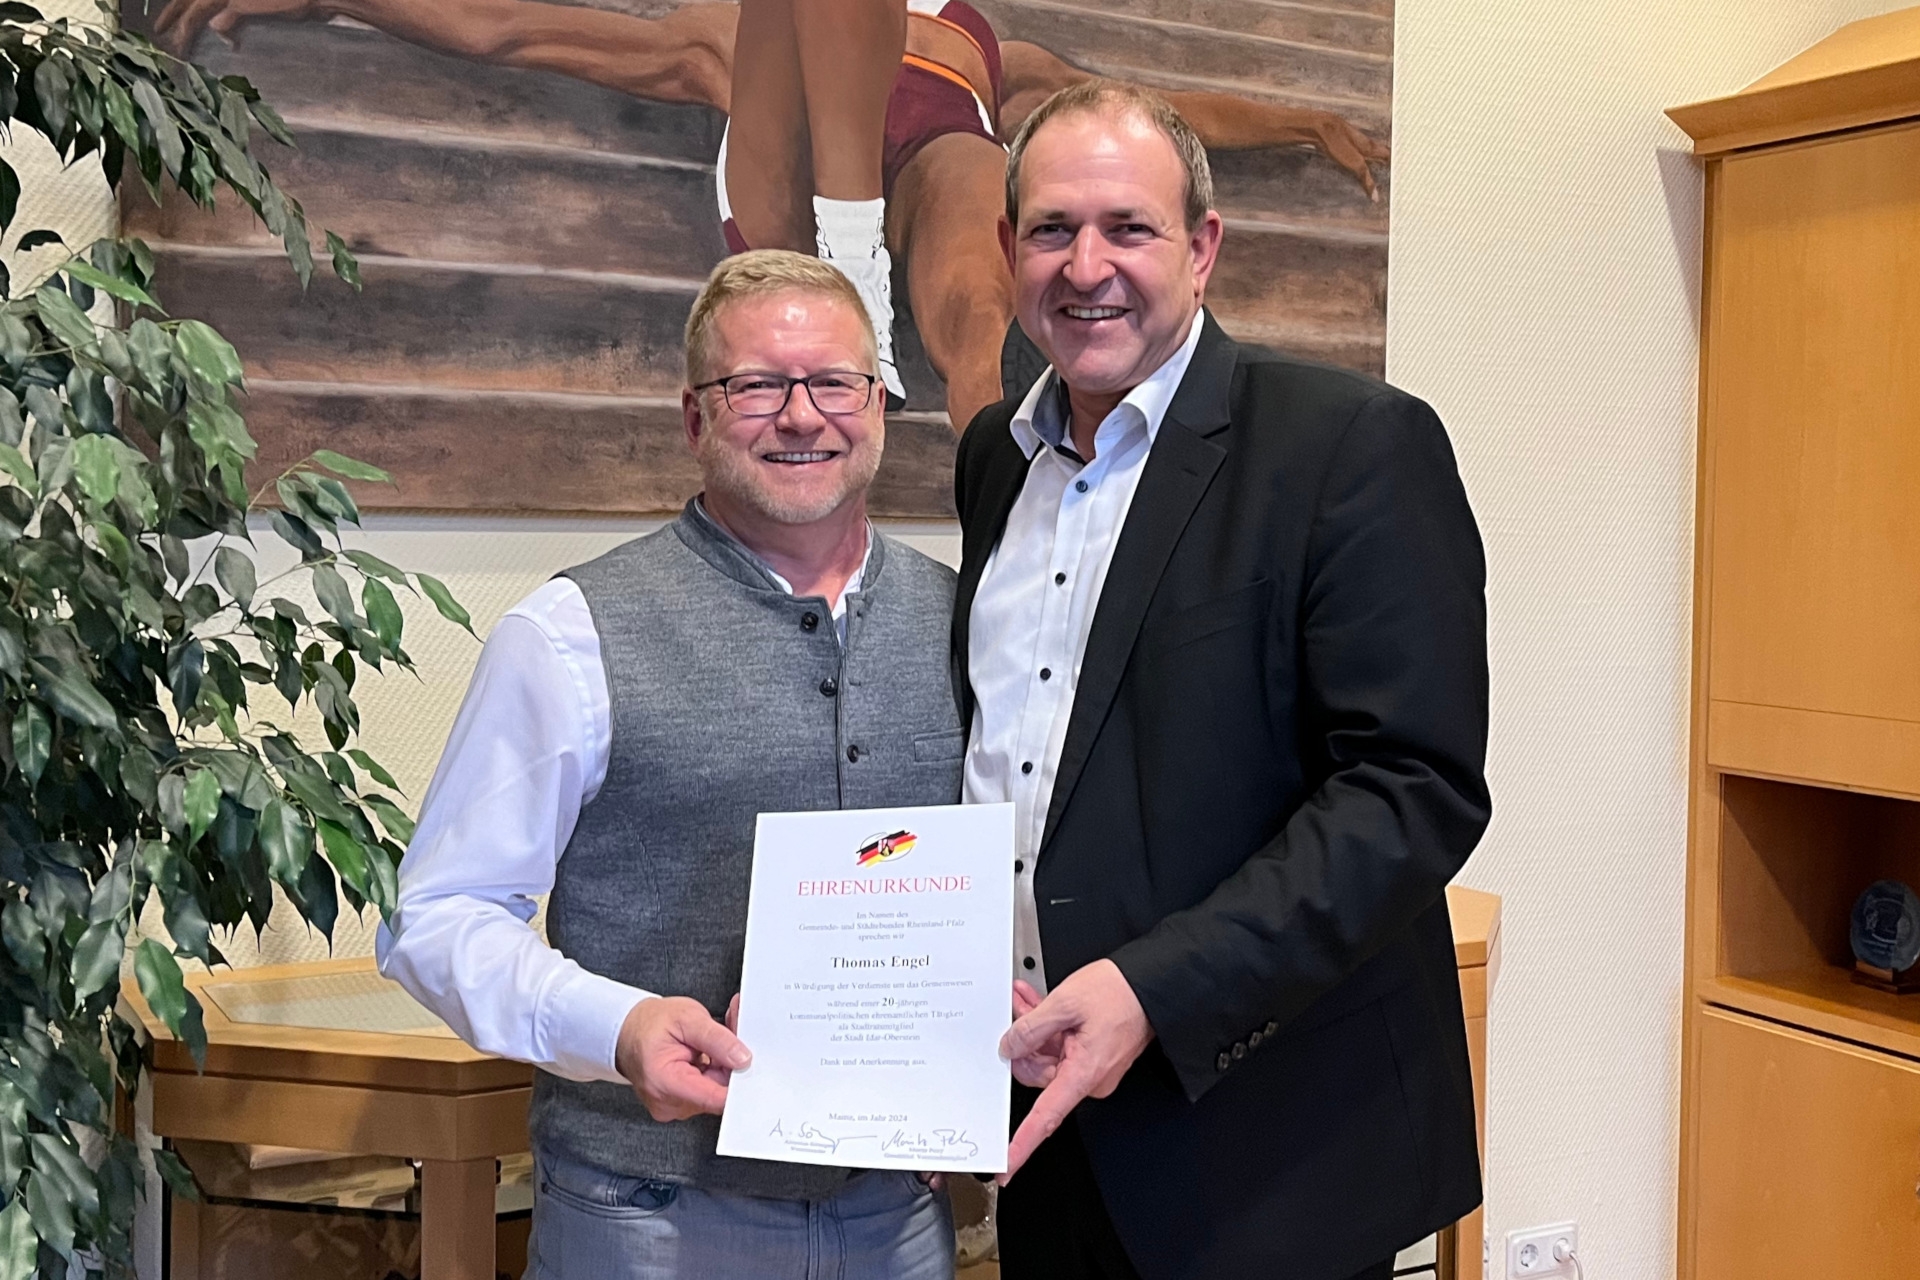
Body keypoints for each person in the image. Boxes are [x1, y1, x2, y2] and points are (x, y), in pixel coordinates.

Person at [955, 80, 1489, 1280]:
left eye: (1127, 228)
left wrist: (1154, 987)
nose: (1086, 265)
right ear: (1006, 250)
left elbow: (1411, 791)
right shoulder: (996, 455)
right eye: (1051, 229)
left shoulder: (1351, 444)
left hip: (1273, 1145)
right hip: (1051, 1124)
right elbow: (1023, 752)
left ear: (1202, 248)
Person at [376, 250, 967, 1278]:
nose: (801, 415)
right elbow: (435, 916)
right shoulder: (570, 633)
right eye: (756, 386)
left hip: (900, 1222)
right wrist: (621, 1025)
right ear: (695, 418)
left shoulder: (967, 620)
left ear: (878, 406)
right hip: (648, 1222)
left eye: (834, 381)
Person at [152, 0, 1390, 433]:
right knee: (905, 138)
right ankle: (835, 265)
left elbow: (1154, 109)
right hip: (787, 189)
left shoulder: (975, 37)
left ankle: (981, 443)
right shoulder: (732, 28)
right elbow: (510, 29)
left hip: (922, 182)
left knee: (974, 168)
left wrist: (1299, 124)